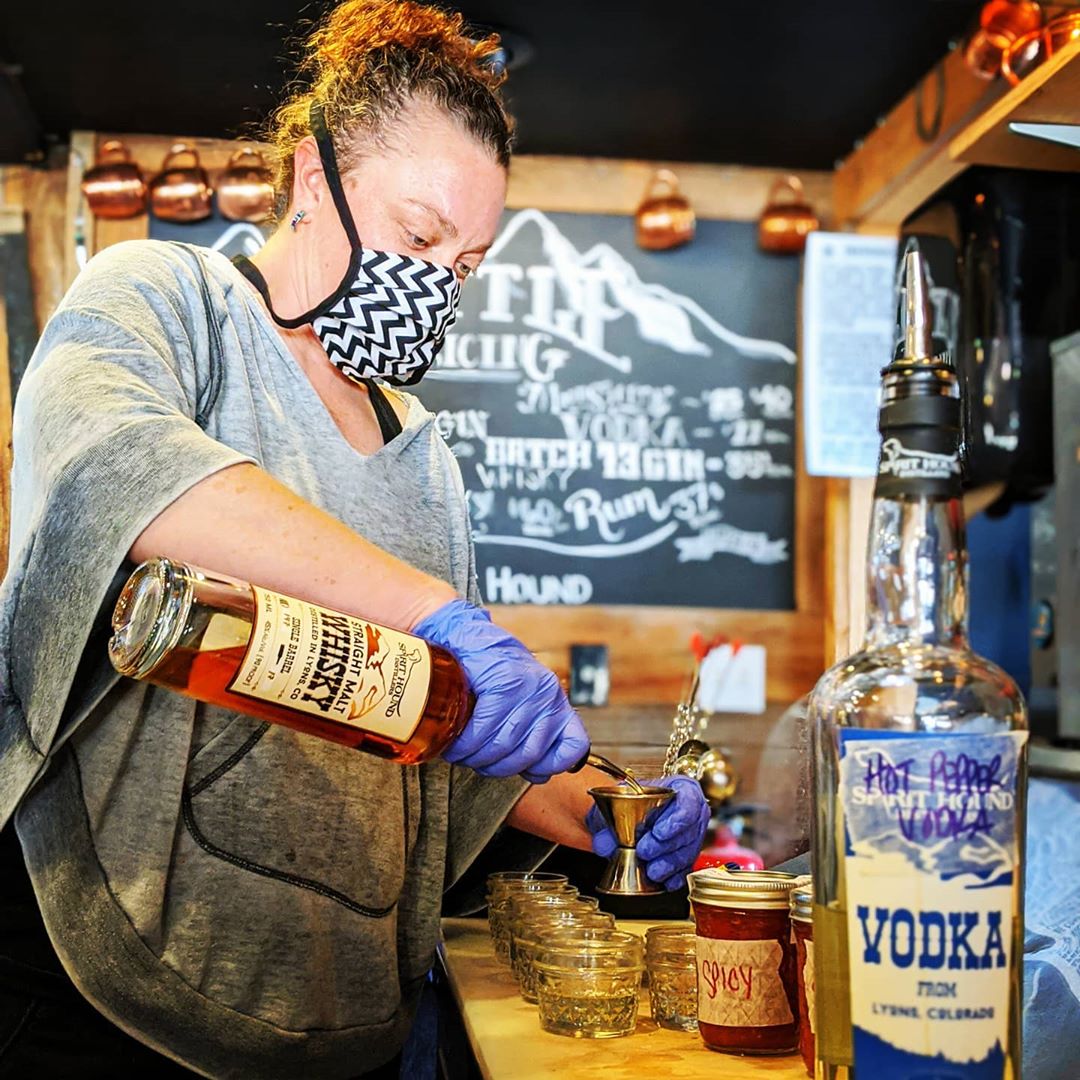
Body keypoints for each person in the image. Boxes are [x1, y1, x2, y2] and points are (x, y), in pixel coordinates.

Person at [0, 2, 709, 1076]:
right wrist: (434, 615)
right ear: (309, 182)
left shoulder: (423, 455)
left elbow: (442, 735)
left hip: (350, 1020)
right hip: (111, 997)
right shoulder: (167, 299)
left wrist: (605, 810)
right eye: (419, 236)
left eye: (465, 264)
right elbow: (119, 468)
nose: (437, 281)